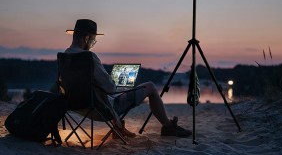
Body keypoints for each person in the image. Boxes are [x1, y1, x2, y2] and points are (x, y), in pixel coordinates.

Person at [64, 19, 192, 138]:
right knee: (151, 87)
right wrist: (116, 86)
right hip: (101, 109)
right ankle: (168, 127)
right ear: (87, 38)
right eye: (93, 40)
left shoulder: (64, 57)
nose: (92, 44)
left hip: (78, 106)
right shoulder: (88, 57)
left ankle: (118, 128)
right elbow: (110, 87)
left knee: (109, 95)